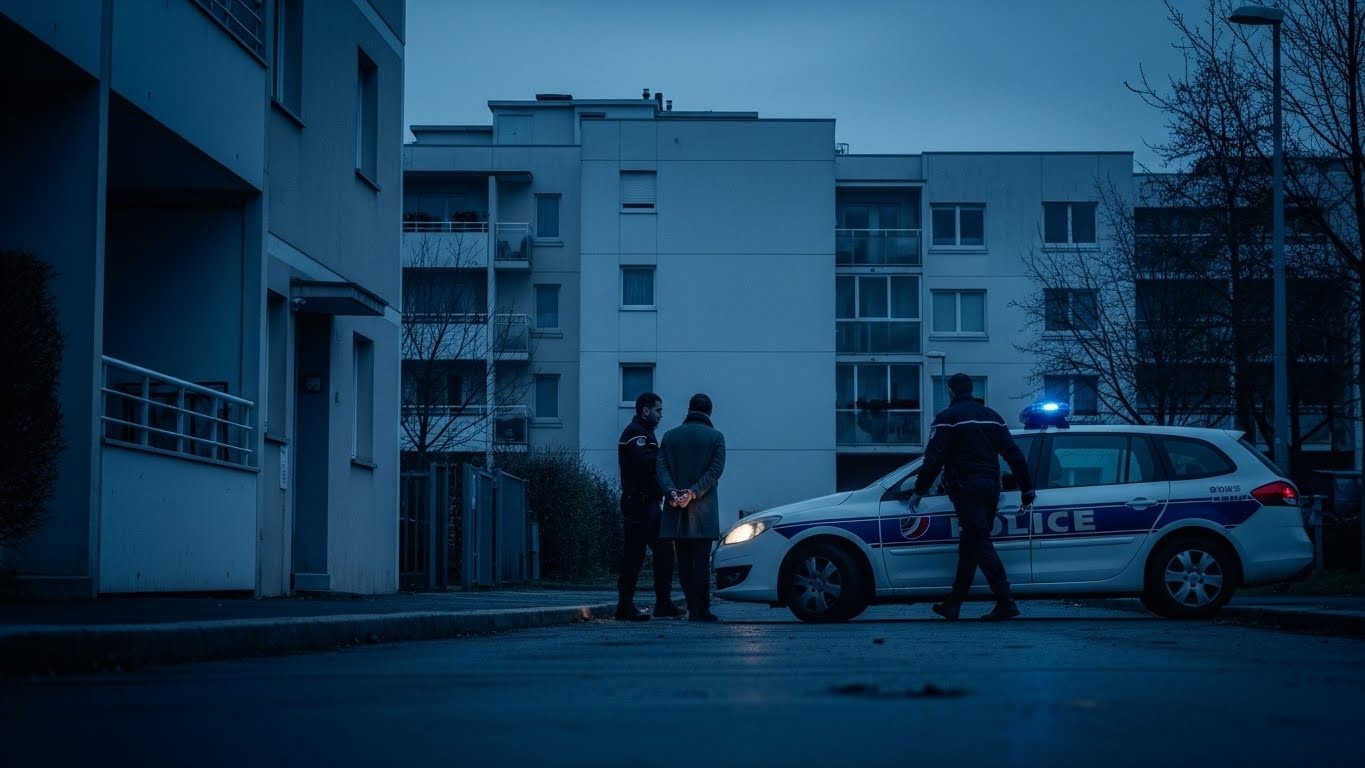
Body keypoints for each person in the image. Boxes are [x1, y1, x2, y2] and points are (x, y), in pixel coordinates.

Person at [910, 373, 1036, 621]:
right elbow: (1014, 455)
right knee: (970, 544)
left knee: (978, 541)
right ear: (971, 390)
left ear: (950, 391)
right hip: (991, 487)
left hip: (966, 488)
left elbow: (933, 458)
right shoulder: (993, 417)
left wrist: (919, 490)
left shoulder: (948, 418)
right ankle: (953, 603)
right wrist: (1026, 488)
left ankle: (1006, 601)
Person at [656, 393, 726, 622]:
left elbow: (662, 469)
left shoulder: (669, 437)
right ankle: (701, 609)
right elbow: (715, 471)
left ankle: (690, 605)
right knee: (701, 563)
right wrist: (693, 492)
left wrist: (673, 492)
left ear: (689, 409)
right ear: (710, 412)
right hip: (702, 510)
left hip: (675, 506)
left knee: (684, 562)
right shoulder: (716, 437)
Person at [615, 392, 682, 621]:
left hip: (651, 504)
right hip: (639, 504)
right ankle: (624, 606)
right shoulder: (635, 435)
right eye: (658, 410)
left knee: (664, 550)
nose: (661, 415)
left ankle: (663, 603)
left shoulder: (646, 434)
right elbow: (647, 463)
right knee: (634, 555)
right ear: (645, 410)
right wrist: (667, 456)